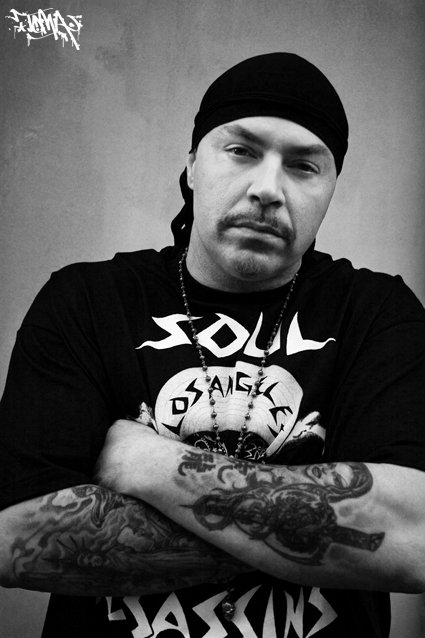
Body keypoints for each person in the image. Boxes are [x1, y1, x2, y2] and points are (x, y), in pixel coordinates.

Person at [0, 52, 425, 638]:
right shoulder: (89, 301)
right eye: (241, 150)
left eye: (304, 166)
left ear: (331, 189)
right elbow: (18, 538)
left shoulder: (376, 313)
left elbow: (414, 538)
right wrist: (324, 531)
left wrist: (151, 466)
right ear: (192, 166)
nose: (267, 189)